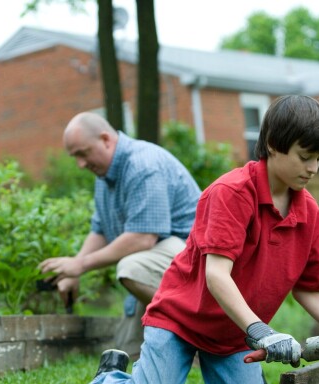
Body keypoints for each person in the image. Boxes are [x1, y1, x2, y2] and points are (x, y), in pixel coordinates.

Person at [84, 95, 319, 384]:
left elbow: (308, 290)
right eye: (305, 156)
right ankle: (110, 378)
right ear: (272, 145)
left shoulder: (308, 212)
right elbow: (217, 275)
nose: (313, 168)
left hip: (235, 334)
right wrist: (262, 332)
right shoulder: (231, 193)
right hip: (180, 321)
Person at [39, 112, 202, 358]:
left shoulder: (142, 165)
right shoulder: (104, 176)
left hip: (197, 264)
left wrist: (81, 265)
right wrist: (72, 270)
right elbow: (100, 229)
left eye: (82, 153)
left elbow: (142, 238)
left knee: (131, 268)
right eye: (75, 157)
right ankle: (176, 341)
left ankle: (200, 335)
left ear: (106, 139)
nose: (80, 164)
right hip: (160, 265)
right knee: (125, 352)